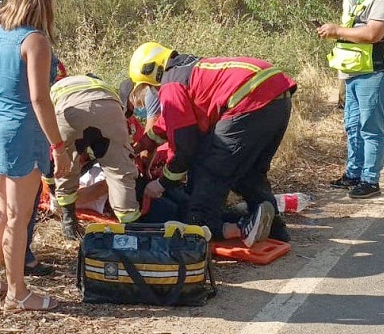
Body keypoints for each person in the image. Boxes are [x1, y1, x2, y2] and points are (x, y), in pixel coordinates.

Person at [127, 42, 296, 245]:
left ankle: (215, 230)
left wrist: (161, 184)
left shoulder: (171, 84)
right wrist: (145, 144)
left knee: (208, 169)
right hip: (276, 97)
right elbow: (173, 121)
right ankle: (274, 228)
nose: (152, 91)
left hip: (249, 100)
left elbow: (185, 149)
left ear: (152, 73)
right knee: (249, 172)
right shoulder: (186, 70)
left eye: (147, 87)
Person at [0, 0, 71, 311]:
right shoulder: (35, 40)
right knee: (18, 216)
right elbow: (39, 98)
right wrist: (58, 147)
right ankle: (18, 293)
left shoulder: (0, 33)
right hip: (20, 134)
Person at [318, 0, 384, 199]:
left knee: (370, 127)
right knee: (354, 125)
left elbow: (372, 34)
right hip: (359, 71)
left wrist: (337, 30)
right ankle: (354, 174)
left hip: (378, 72)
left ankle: (370, 180)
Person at [50, 74, 141, 238]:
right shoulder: (100, 85)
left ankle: (69, 224)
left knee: (66, 167)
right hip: (108, 107)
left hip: (69, 111)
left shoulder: (50, 90)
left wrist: (52, 188)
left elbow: (49, 157)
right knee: (120, 171)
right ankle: (131, 230)